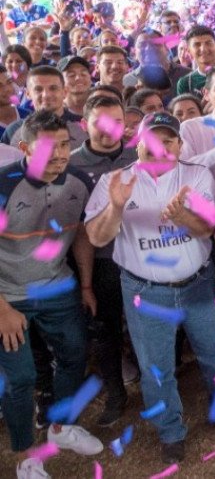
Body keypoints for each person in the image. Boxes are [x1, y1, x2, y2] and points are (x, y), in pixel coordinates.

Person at [84, 112, 215, 465]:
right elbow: (96, 236)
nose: (160, 147)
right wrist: (116, 207)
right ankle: (170, 431)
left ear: (180, 145)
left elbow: (208, 229)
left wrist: (183, 217)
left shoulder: (195, 174)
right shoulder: (114, 181)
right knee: (156, 368)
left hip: (197, 284)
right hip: (146, 291)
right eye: (153, 138)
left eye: (169, 140)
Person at [0, 111, 105, 479]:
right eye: (50, 146)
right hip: (8, 297)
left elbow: (79, 235)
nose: (61, 153)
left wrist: (87, 286)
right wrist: (1, 310)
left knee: (75, 355)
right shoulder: (4, 184)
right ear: (25, 147)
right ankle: (26, 455)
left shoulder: (77, 181)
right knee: (21, 378)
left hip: (59, 288)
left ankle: (61, 428)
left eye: (65, 144)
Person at [69, 94, 138, 427]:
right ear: (84, 125)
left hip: (144, 259)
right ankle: (116, 393)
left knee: (149, 326)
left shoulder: (138, 156)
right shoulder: (71, 166)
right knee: (104, 329)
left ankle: (159, 387)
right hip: (101, 263)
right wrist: (85, 281)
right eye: (99, 121)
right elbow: (76, 227)